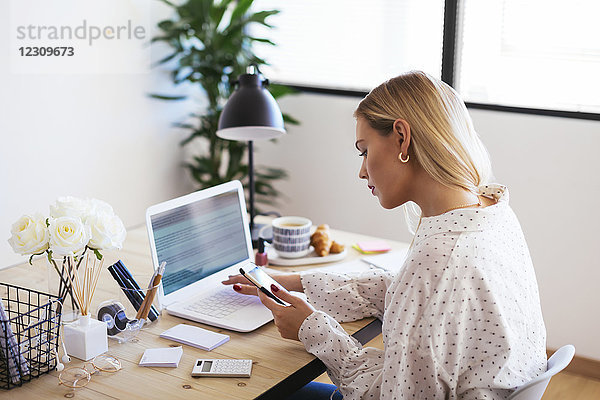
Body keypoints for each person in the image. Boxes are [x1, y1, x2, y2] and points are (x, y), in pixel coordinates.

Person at [222, 71, 547, 399]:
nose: (361, 171)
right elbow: (409, 294)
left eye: (364, 151)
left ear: (402, 138)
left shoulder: (439, 257)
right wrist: (298, 282)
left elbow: (392, 394)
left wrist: (313, 329)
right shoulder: (491, 210)